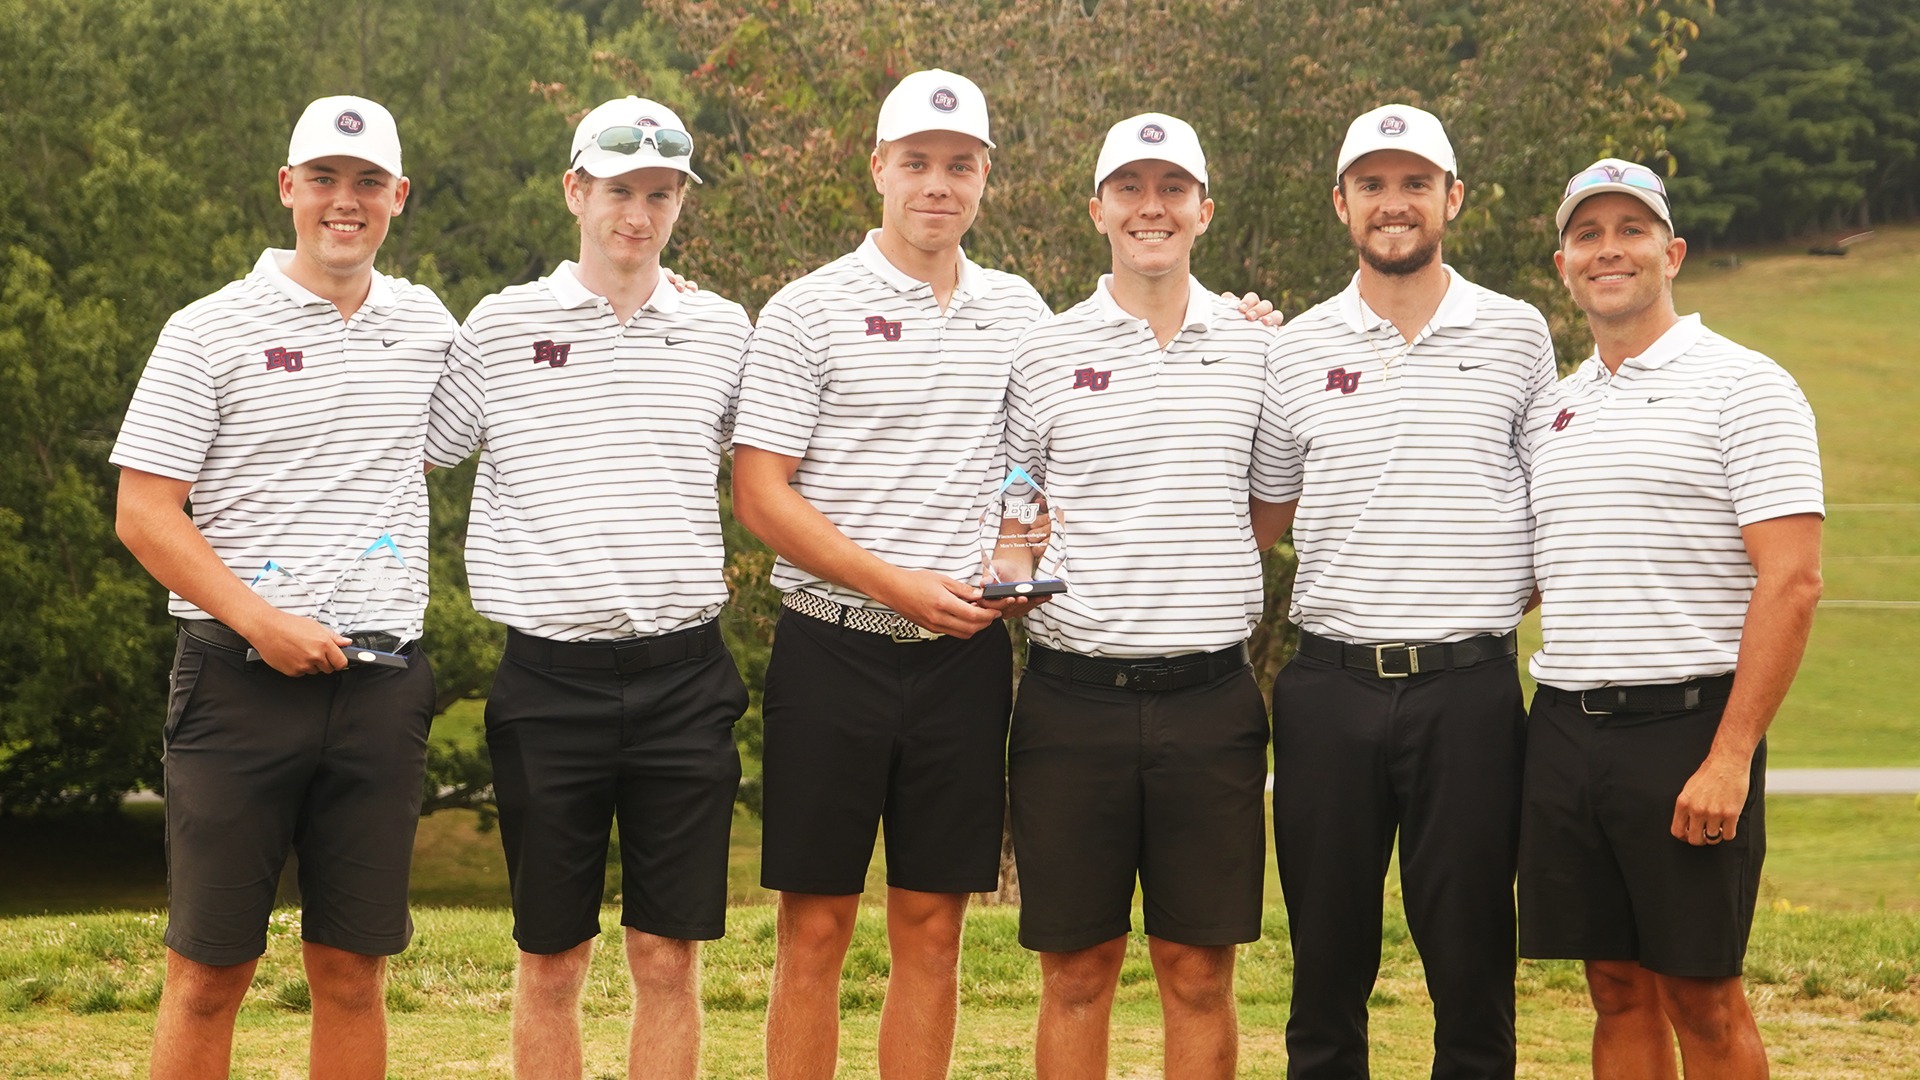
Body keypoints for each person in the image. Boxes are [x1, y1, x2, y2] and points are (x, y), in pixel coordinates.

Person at [111, 95, 452, 1080]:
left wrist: (645, 277)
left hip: (382, 687)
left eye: (365, 184)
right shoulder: (208, 330)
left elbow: (522, 380)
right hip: (237, 684)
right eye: (323, 180)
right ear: (287, 189)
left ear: (398, 196)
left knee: (351, 970)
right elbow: (144, 511)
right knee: (209, 970)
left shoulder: (425, 323)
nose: (344, 203)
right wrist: (263, 622)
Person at [729, 68, 1051, 1080]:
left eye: (959, 166)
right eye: (916, 162)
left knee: (932, 925)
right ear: (879, 168)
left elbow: (1032, 471)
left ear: (985, 177)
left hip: (961, 658)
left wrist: (1011, 556)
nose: (937, 186)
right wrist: (894, 582)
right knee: (815, 929)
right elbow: (762, 496)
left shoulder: (1019, 310)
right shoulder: (808, 308)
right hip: (832, 650)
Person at [422, 97, 752, 1080]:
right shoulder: (500, 327)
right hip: (549, 683)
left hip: (685, 679)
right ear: (576, 191)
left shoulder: (724, 331)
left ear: (681, 201)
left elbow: (802, 460)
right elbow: (405, 447)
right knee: (553, 955)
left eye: (660, 195)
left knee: (665, 951)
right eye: (618, 192)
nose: (637, 217)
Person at [1248, 103, 1557, 1079]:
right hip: (1328, 686)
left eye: (1415, 183)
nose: (1394, 203)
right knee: (1327, 964)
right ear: (1342, 203)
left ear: (1450, 198)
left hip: (1467, 691)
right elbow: (1263, 518)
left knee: (1470, 962)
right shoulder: (1292, 347)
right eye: (1373, 185)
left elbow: (1554, 498)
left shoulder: (1516, 333)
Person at [1518, 159, 1823, 1079]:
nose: (1609, 250)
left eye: (1631, 230)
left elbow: (1794, 582)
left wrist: (1730, 757)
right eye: (1588, 235)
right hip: (1566, 726)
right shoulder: (1554, 407)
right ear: (1564, 264)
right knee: (1612, 983)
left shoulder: (1747, 386)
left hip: (1689, 728)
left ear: (1672, 251)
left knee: (1702, 993)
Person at [1002, 113, 1278, 1080]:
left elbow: (1267, 510)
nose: (1150, 208)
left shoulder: (1259, 349)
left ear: (1205, 209)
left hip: (1210, 699)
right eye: (1130, 189)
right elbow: (1013, 508)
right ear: (1098, 210)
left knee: (1197, 971)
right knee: (1078, 971)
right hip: (1070, 700)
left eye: (1171, 190)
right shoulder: (1040, 351)